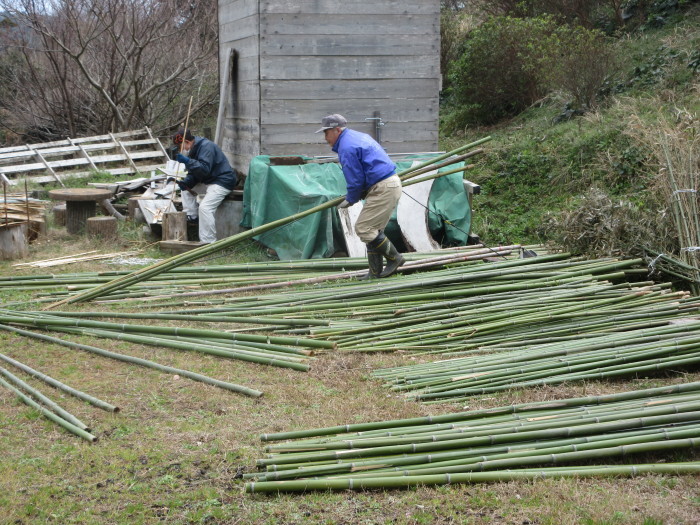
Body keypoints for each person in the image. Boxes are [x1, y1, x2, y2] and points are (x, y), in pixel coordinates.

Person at [316, 114, 405, 279]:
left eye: (326, 132)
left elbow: (355, 179)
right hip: (388, 184)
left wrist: (350, 199)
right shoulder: (356, 137)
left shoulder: (347, 147)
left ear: (337, 130)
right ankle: (374, 272)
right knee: (373, 230)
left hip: (383, 187)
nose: (325, 137)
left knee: (364, 229)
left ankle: (395, 258)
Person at [171, 128, 238, 244]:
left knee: (205, 208)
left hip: (222, 181)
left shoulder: (206, 147)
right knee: (186, 189)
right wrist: (187, 183)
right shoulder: (193, 150)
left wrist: (187, 161)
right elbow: (195, 173)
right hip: (210, 180)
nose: (181, 150)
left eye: (181, 146)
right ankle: (192, 216)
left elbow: (204, 169)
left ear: (187, 142)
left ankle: (208, 242)